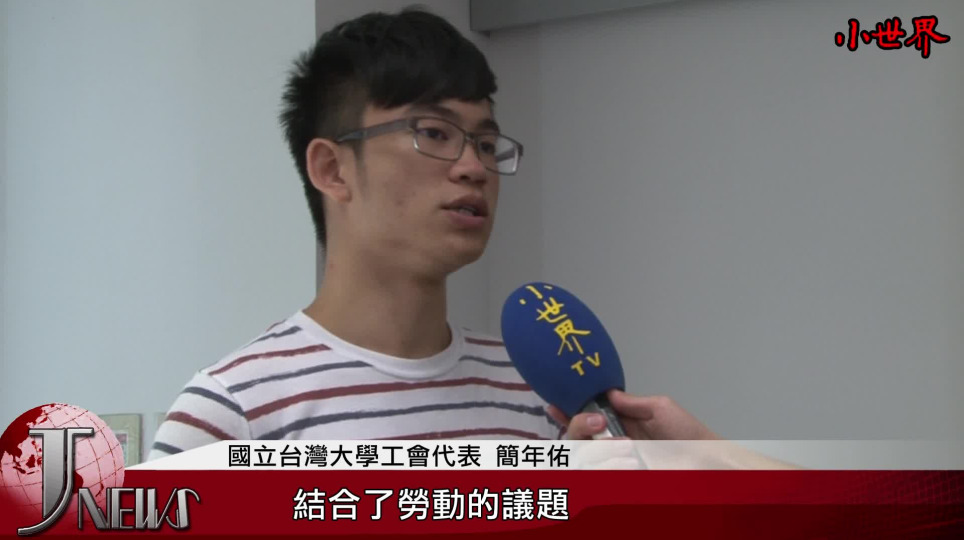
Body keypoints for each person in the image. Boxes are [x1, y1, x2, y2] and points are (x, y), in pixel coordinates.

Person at [147, 7, 720, 460]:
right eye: (435, 133)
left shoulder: (539, 396)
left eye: (486, 143)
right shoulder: (231, 413)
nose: (474, 167)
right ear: (332, 169)